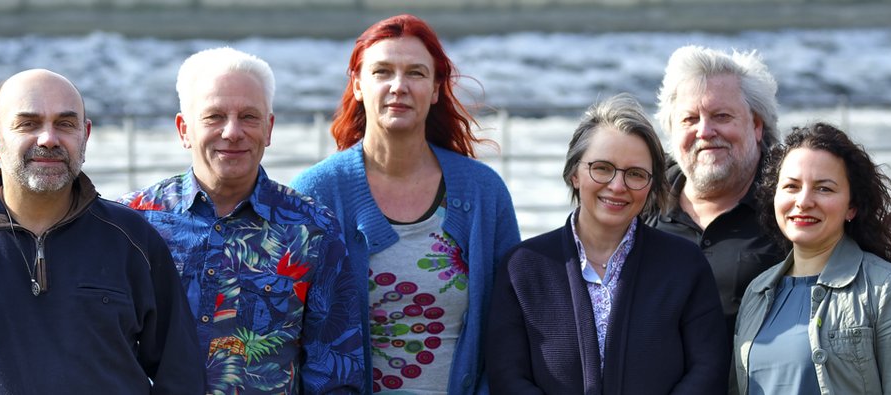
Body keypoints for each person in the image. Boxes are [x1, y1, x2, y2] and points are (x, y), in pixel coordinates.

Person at [0, 69, 203, 394]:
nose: (49, 138)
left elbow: (179, 376)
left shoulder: (133, 240)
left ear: (85, 135)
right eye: (28, 124)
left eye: (65, 124)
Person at [290, 14, 521, 394]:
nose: (399, 86)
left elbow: (512, 327)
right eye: (382, 72)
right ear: (358, 84)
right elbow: (290, 334)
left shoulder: (484, 193)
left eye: (415, 73)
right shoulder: (316, 194)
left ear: (435, 89)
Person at [119, 47, 364, 394]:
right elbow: (100, 352)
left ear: (269, 128)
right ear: (184, 129)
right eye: (214, 116)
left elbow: (335, 370)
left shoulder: (312, 230)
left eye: (249, 116)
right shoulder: (132, 223)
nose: (232, 132)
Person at [486, 94, 728, 394]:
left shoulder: (685, 264)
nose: (617, 185)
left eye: (636, 174)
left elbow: (708, 368)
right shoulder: (523, 267)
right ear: (575, 173)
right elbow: (507, 376)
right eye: (602, 168)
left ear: (651, 185)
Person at [736, 122, 891, 394]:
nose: (804, 201)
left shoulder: (890, 291)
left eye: (824, 189)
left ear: (852, 207)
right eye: (792, 186)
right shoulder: (756, 293)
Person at [650, 45, 787, 331]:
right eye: (689, 119)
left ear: (757, 125)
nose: (704, 131)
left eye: (722, 116)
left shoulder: (790, 203)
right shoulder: (642, 195)